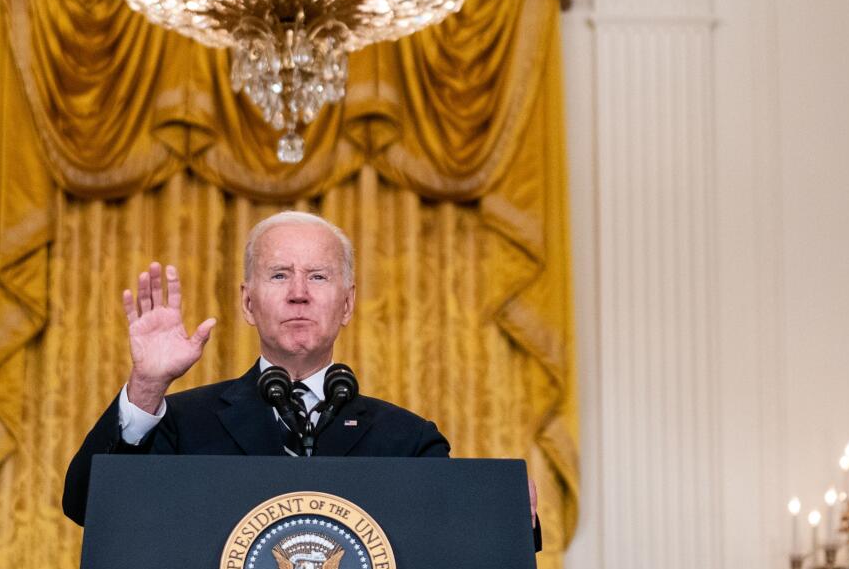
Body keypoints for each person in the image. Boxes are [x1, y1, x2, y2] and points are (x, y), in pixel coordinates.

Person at [62, 211, 538, 543]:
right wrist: (146, 386)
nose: (298, 294)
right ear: (248, 303)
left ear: (347, 303)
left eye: (317, 276)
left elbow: (453, 542)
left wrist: (506, 512)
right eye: (278, 276)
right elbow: (89, 506)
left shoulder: (406, 440)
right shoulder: (183, 423)